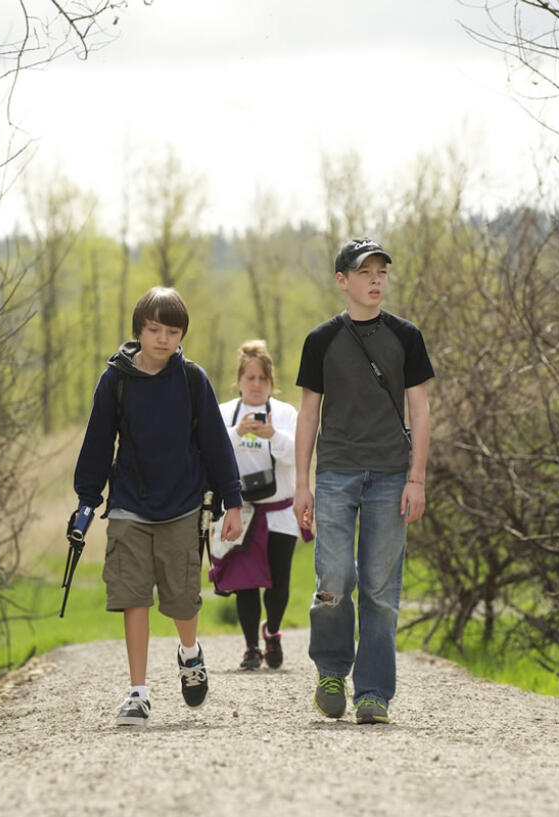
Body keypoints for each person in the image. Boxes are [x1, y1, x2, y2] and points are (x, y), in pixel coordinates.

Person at [73, 286, 244, 727]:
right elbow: (97, 443)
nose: (163, 339)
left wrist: (233, 500)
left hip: (184, 504)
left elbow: (216, 444)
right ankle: (138, 692)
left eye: (172, 331)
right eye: (154, 330)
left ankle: (190, 654)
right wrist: (86, 502)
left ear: (181, 334)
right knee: (133, 595)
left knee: (182, 599)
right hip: (130, 502)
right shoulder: (115, 381)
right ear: (139, 332)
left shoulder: (192, 380)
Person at [292, 237, 434, 725]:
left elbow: (420, 407)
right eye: (366, 272)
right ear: (342, 280)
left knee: (379, 589)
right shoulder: (320, 341)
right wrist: (301, 483)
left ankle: (373, 693)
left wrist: (416, 478)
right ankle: (330, 671)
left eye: (382, 272)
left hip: (391, 476)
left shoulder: (406, 336)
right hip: (334, 474)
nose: (376, 280)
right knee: (334, 578)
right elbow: (308, 415)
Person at [209, 340, 309, 671]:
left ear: (271, 382)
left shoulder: (285, 414)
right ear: (239, 380)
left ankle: (273, 631)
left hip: (280, 511)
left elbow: (298, 454)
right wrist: (239, 433)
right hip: (242, 512)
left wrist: (272, 435)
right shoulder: (224, 414)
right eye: (249, 378)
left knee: (279, 582)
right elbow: (212, 455)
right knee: (246, 583)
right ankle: (251, 646)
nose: (256, 385)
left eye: (262, 379)